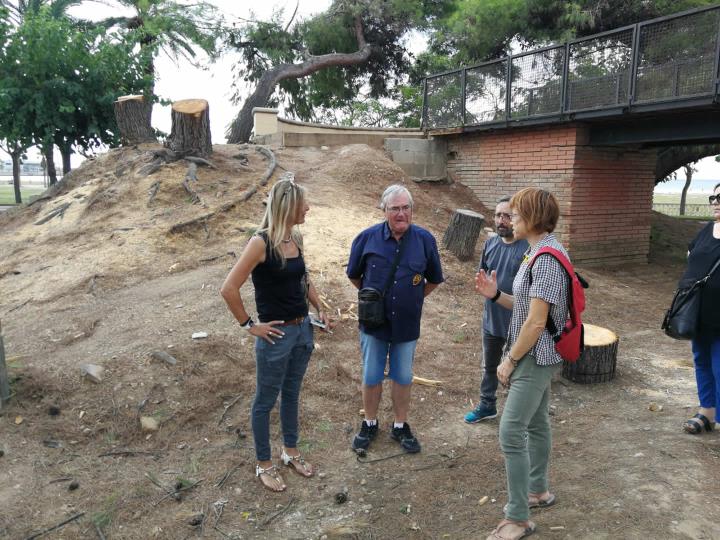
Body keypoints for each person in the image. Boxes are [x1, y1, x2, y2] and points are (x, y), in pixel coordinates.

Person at [220, 177, 331, 492]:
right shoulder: (261, 242)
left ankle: (290, 451)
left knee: (292, 393)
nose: (308, 208)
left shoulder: (294, 238)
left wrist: (319, 306)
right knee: (265, 401)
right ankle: (263, 463)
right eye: (304, 204)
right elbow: (228, 289)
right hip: (276, 336)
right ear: (289, 206)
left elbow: (303, 278)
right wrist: (250, 325)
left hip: (302, 330)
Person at [475, 187, 569, 540]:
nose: (508, 220)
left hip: (534, 355)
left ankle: (518, 518)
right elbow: (529, 308)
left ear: (532, 218)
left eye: (515, 214)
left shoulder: (545, 258)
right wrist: (496, 295)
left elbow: (536, 322)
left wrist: (509, 361)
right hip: (535, 352)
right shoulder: (537, 252)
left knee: (511, 431)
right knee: (538, 422)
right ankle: (538, 490)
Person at [347, 184, 444, 454]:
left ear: (412, 210)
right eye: (395, 209)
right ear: (384, 210)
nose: (401, 213)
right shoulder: (366, 239)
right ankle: (370, 422)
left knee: (403, 376)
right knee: (371, 374)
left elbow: (434, 279)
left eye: (405, 208)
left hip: (406, 324)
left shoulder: (425, 240)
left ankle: (400, 425)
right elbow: (354, 275)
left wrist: (411, 299)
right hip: (373, 325)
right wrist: (375, 302)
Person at [464, 196, 529, 424]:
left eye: (507, 216)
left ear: (517, 219)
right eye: (498, 215)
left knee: (518, 372)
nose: (502, 220)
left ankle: (517, 415)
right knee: (489, 367)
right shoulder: (490, 244)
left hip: (519, 324)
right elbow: (483, 277)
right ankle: (487, 405)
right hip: (492, 320)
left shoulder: (528, 248)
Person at [680, 182, 720, 435]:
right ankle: (707, 411)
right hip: (699, 313)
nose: (715, 201)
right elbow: (690, 255)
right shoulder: (706, 229)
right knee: (702, 361)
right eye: (713, 196)